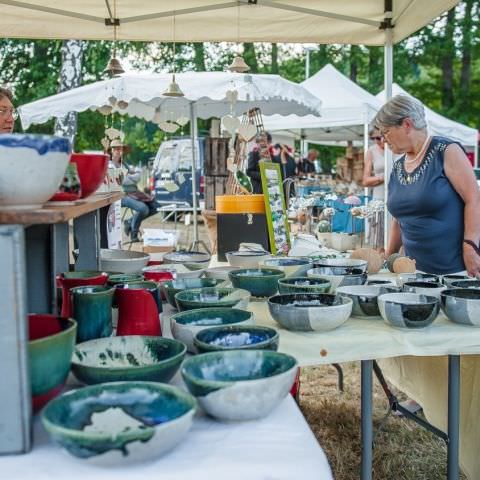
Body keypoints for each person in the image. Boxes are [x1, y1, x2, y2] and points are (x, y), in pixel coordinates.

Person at [374, 94, 480, 276]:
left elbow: (474, 199)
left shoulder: (446, 150)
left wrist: (470, 246)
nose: (383, 139)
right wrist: (389, 258)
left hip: (456, 271)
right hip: (414, 272)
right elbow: (398, 220)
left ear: (407, 124)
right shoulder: (398, 166)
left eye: (386, 132)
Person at [109, 139, 158, 242]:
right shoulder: (109, 165)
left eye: (121, 149)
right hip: (120, 195)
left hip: (134, 192)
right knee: (143, 209)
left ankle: (129, 222)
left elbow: (138, 176)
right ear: (111, 150)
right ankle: (134, 233)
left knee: (155, 206)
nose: (119, 151)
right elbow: (123, 181)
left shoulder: (124, 164)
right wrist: (130, 176)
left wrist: (128, 176)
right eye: (117, 149)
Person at [362, 128, 385, 249]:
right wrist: (383, 177)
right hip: (379, 198)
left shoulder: (396, 148)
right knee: (378, 239)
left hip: (397, 197)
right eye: (374, 138)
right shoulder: (371, 151)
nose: (377, 140)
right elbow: (365, 180)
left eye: (379, 137)